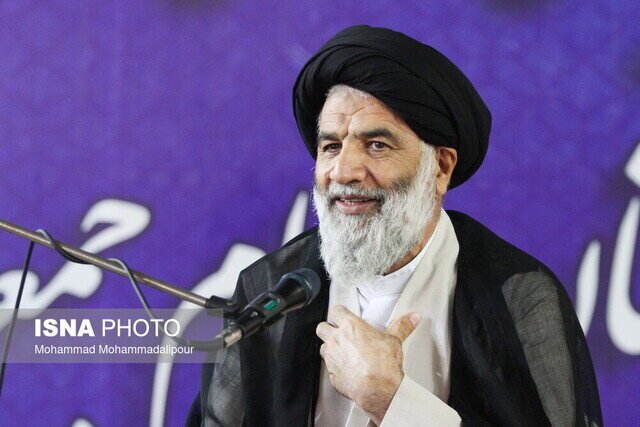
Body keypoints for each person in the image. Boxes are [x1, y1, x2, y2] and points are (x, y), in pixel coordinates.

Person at [186, 25, 601, 426]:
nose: (343, 171)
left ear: (440, 168)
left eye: (376, 145)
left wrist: (391, 400)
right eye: (331, 146)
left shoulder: (518, 296)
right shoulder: (270, 288)